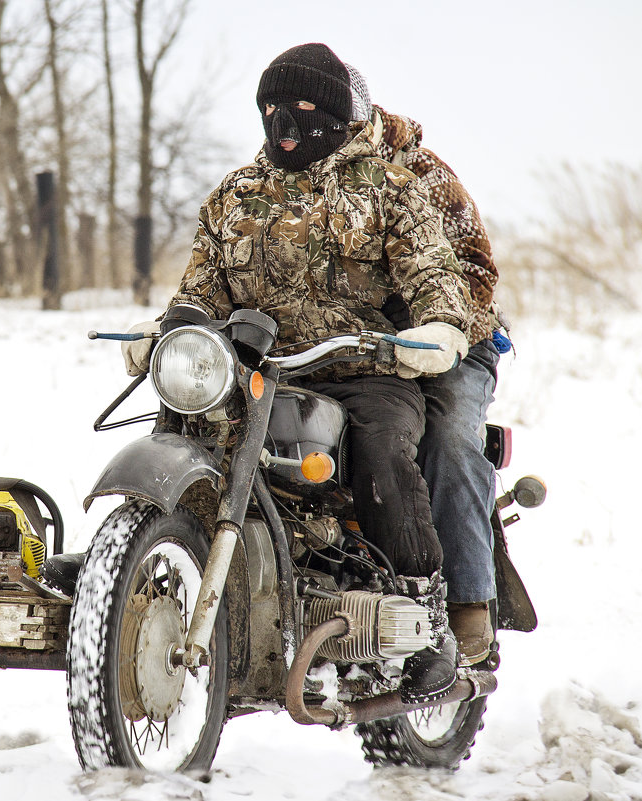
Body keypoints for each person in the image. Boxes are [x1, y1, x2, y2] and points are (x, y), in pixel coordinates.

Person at [120, 43, 472, 703]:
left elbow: (434, 277)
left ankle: (426, 616)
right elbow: (201, 291)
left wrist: (437, 329)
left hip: (360, 366)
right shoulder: (233, 194)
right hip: (251, 367)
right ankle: (144, 572)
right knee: (182, 426)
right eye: (270, 108)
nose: (283, 121)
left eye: (302, 109)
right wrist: (167, 329)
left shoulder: (386, 187)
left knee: (380, 450)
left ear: (334, 117)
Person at [348, 66, 506, 665]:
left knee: (446, 434)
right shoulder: (295, 175)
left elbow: (473, 270)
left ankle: (467, 601)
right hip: (356, 348)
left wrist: (434, 328)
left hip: (452, 340)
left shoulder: (421, 172)